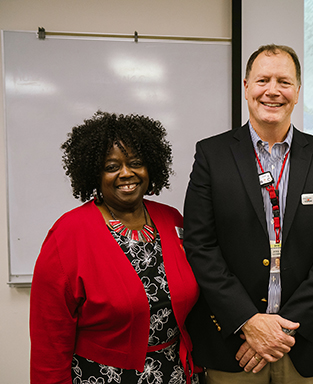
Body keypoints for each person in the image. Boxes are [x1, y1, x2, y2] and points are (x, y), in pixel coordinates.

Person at [183, 44, 313, 383]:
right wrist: (249, 321)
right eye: (263, 80)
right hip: (235, 343)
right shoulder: (211, 155)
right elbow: (200, 246)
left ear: (297, 92)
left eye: (284, 81)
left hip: (305, 340)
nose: (272, 91)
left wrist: (284, 328)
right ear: (246, 87)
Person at [30, 111, 201, 384]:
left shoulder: (172, 220)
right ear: (93, 173)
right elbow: (49, 340)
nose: (126, 173)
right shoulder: (68, 234)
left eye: (136, 163)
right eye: (111, 167)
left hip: (175, 374)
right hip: (102, 377)